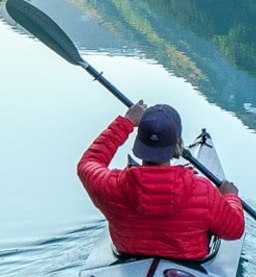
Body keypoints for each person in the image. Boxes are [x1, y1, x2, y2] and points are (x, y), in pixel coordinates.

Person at [77, 99, 245, 261]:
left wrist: (126, 122)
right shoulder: (203, 192)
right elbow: (235, 229)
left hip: (128, 254)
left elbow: (88, 163)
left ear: (138, 143)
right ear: (178, 144)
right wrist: (230, 196)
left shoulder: (110, 186)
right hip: (189, 265)